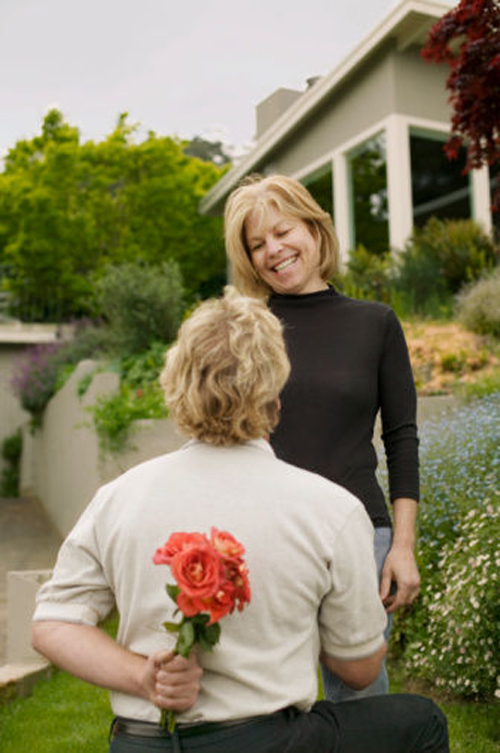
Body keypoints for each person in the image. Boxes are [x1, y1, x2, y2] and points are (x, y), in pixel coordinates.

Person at [32, 288, 448, 752]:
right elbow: (359, 669)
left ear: (176, 386)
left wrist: (144, 677)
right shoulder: (330, 508)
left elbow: (52, 624)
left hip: (140, 743)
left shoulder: (118, 498)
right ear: (276, 396)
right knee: (421, 719)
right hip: (264, 741)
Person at [224, 174, 421, 702]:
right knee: (260, 698)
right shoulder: (246, 328)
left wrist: (402, 545)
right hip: (263, 536)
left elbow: (402, 439)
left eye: (283, 232)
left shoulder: (375, 323)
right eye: (257, 244)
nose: (274, 251)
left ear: (314, 228)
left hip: (359, 536)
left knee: (358, 694)